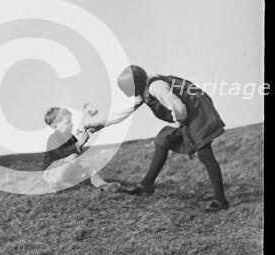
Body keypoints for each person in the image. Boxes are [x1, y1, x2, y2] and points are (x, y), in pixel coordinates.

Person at [85, 65, 229, 212]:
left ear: (136, 85)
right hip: (186, 111)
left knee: (204, 153)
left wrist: (179, 124)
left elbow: (178, 107)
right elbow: (124, 111)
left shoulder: (156, 87)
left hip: (197, 111)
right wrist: (100, 124)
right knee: (163, 140)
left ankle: (220, 200)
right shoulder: (145, 88)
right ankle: (146, 185)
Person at [42, 106, 121, 191]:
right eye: (67, 122)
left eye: (71, 121)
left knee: (90, 169)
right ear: (54, 126)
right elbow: (62, 152)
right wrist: (79, 143)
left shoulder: (71, 138)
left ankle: (104, 186)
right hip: (52, 173)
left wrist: (81, 140)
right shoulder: (53, 138)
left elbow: (77, 154)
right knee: (74, 157)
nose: (71, 124)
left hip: (68, 172)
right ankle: (54, 184)